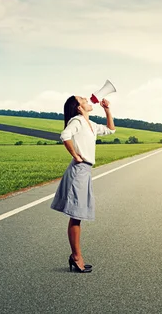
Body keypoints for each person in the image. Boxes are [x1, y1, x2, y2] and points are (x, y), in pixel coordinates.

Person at [51, 94, 116, 273]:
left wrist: (107, 110)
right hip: (79, 171)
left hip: (85, 171)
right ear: (79, 108)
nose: (88, 101)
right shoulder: (77, 121)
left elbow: (111, 130)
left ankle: (76, 256)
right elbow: (64, 135)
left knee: (78, 215)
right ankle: (76, 257)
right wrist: (75, 155)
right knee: (76, 216)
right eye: (84, 100)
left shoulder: (90, 124)